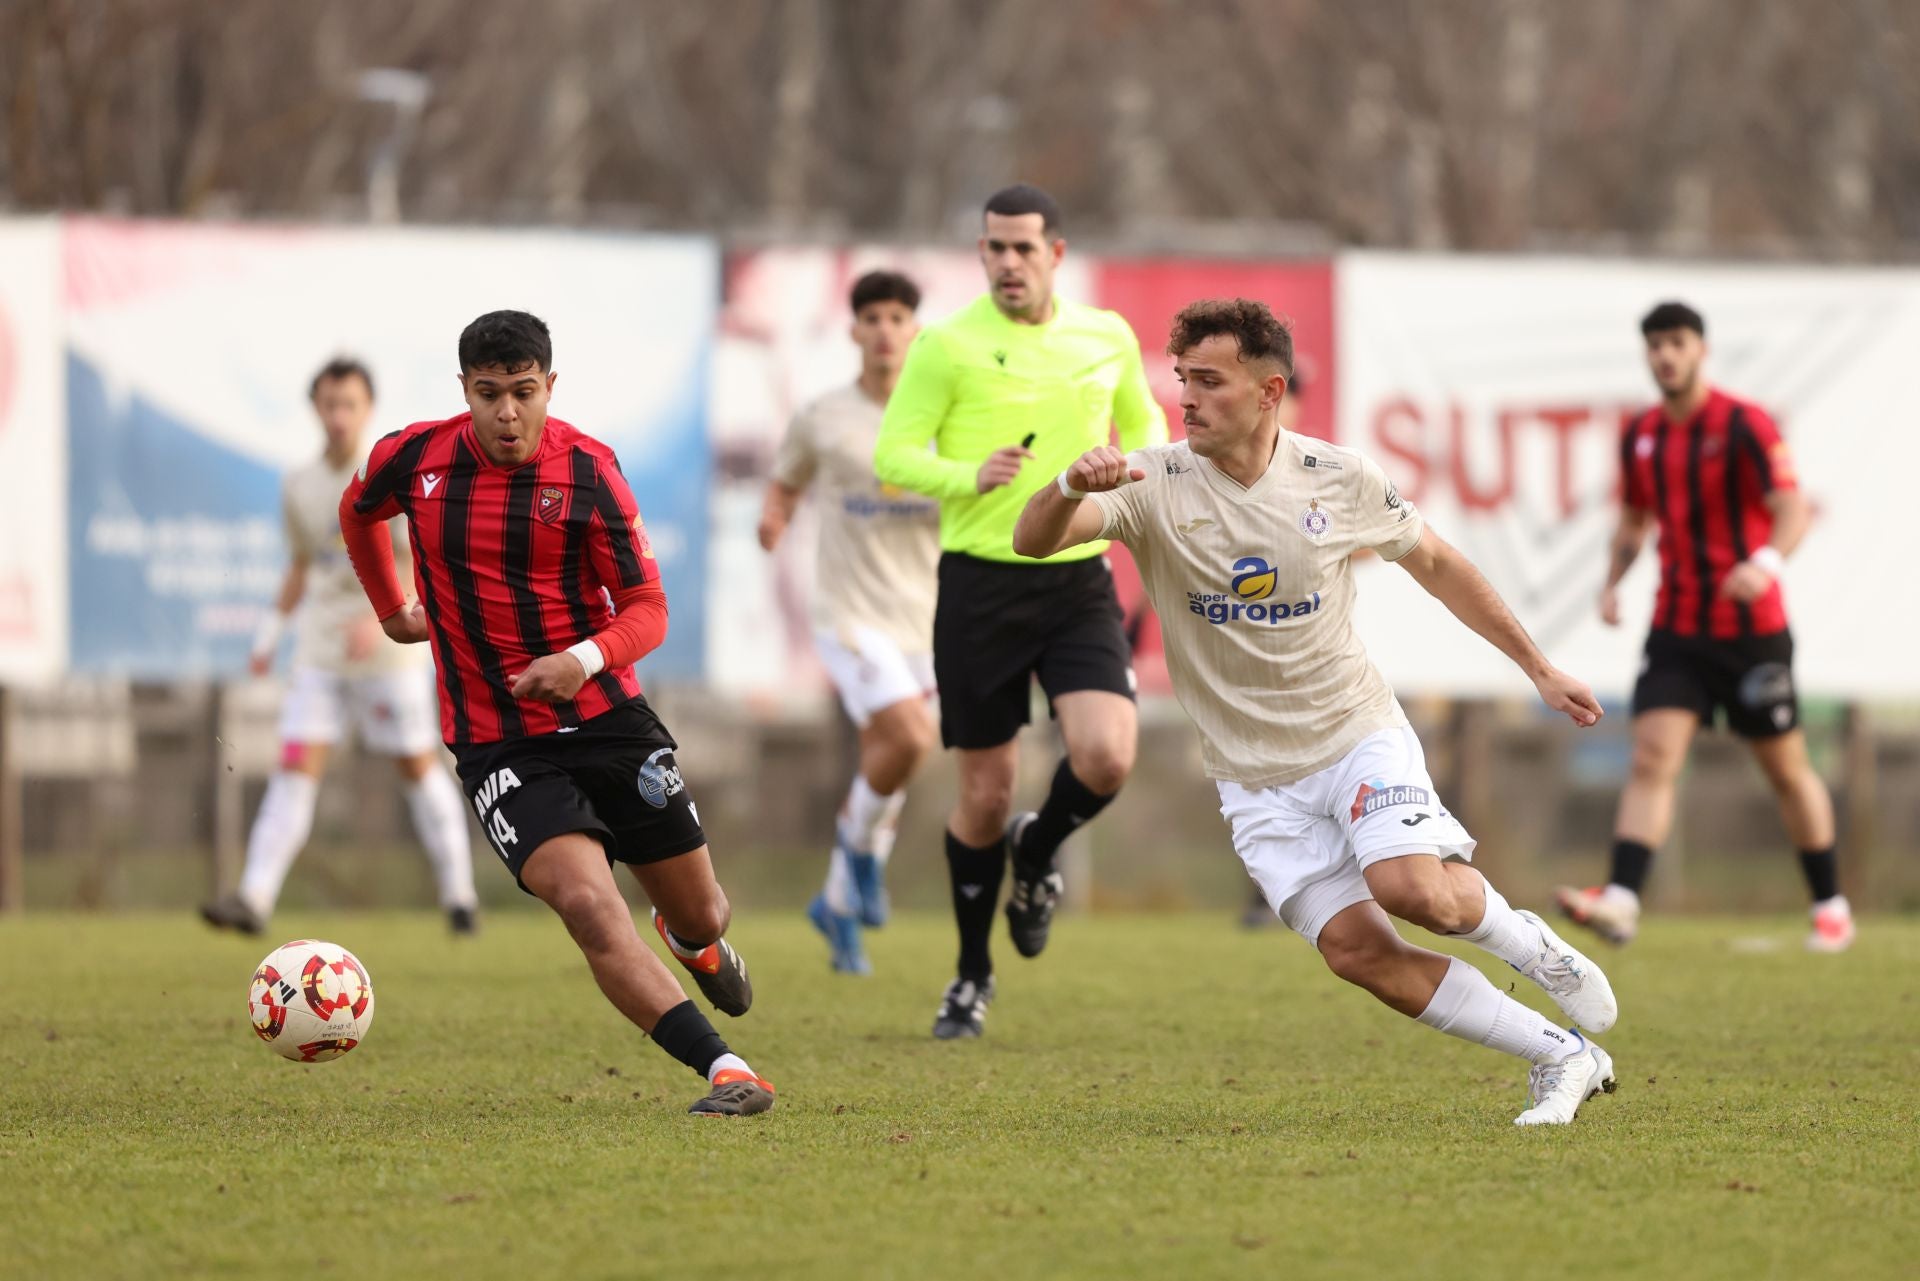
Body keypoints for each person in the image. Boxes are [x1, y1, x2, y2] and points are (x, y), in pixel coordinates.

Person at [1013, 298, 1620, 1125]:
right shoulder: (1151, 482)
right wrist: (1062, 485)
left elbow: (1438, 564)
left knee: (1413, 890)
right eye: (1182, 378)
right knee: (1355, 950)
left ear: (1270, 390)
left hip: (1355, 732)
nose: (1185, 397)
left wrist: (1539, 669)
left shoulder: (1339, 477)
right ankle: (1564, 1057)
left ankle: (1532, 947)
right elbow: (1033, 540)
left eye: (1208, 381)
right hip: (1253, 779)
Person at [339, 310, 774, 1116]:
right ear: (464, 390)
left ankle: (694, 942)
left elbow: (648, 607)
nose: (507, 413)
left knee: (701, 909)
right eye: (489, 394)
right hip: (498, 742)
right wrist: (393, 606)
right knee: (587, 904)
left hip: (609, 718)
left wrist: (579, 660)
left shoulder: (589, 472)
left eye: (524, 393)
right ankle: (727, 1070)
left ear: (550, 386)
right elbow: (358, 510)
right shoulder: (412, 458)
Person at [874, 183, 1168, 1038]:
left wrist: (1132, 468)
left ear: (1056, 256)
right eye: (993, 248)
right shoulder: (947, 344)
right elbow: (894, 453)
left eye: (1022, 249)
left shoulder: (1105, 334)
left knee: (1108, 756)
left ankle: (1036, 854)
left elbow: (1145, 428)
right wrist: (971, 477)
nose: (1006, 263)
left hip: (1077, 581)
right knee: (985, 794)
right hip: (979, 584)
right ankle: (970, 974)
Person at [1559, 302, 1849, 952]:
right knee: (1653, 756)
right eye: (1656, 344)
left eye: (1677, 342)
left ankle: (1830, 904)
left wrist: (1765, 562)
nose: (1665, 355)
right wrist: (1610, 585)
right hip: (1678, 628)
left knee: (1785, 768)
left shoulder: (1744, 423)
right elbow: (1635, 521)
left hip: (1751, 630)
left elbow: (1790, 506)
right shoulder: (1642, 434)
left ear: (1700, 350)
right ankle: (1623, 900)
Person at [202, 359, 479, 937]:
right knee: (296, 766)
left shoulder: (387, 473)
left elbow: (412, 555)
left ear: (367, 408)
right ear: (316, 409)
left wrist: (387, 610)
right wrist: (269, 635)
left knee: (417, 765)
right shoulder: (299, 485)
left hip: (388, 650)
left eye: (349, 404)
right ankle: (254, 898)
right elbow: (304, 564)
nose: (338, 416)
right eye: (329, 404)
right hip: (321, 653)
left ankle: (459, 895)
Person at [758, 270, 939, 975]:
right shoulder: (823, 415)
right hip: (849, 613)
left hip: (927, 617)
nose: (887, 329)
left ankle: (836, 901)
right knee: (908, 735)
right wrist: (774, 516)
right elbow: (786, 479)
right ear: (855, 330)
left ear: (914, 330)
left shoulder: (944, 417)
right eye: (874, 317)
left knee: (893, 758)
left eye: (899, 315)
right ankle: (860, 859)